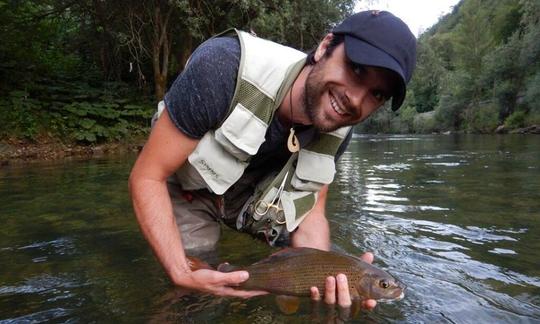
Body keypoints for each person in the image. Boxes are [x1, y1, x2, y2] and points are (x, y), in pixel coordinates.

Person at [129, 10, 416, 309]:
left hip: (253, 201)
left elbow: (312, 212)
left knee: (333, 263)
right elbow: (147, 176)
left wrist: (323, 276)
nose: (355, 100)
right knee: (192, 293)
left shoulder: (339, 130)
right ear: (324, 47)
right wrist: (179, 272)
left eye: (377, 94)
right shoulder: (223, 67)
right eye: (356, 69)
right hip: (190, 189)